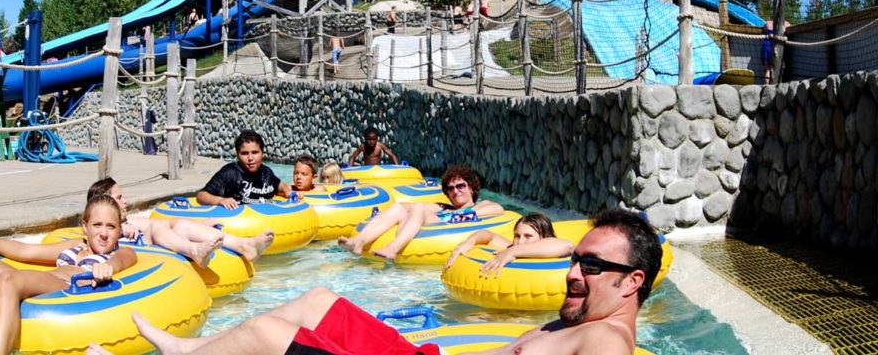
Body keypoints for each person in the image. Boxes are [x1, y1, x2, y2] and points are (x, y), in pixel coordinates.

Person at [87, 208, 661, 355]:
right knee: (317, 298)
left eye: (590, 266)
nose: (572, 273)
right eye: (575, 259)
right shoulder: (584, 320)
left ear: (633, 282)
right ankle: (189, 346)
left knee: (267, 334)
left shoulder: (607, 340)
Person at [0, 195, 137, 355]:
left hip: (63, 286)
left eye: (111, 226)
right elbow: (26, 251)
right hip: (39, 278)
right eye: (97, 225)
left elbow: (121, 261)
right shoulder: (75, 246)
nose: (104, 233)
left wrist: (107, 267)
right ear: (85, 226)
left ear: (119, 230)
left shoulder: (120, 252)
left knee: (9, 279)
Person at [87, 178, 274, 264]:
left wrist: (200, 225)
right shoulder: (105, 231)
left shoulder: (130, 221)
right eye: (120, 197)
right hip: (142, 258)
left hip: (159, 244)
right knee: (157, 227)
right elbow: (157, 226)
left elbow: (168, 223)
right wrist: (118, 231)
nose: (125, 201)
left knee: (179, 225)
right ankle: (194, 251)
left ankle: (244, 244)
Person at [337, 165, 504, 260]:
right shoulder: (442, 207)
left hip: (451, 231)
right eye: (450, 188)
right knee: (400, 207)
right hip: (438, 221)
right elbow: (408, 205)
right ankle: (358, 242)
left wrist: (456, 215)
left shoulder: (481, 205)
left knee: (418, 208)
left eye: (460, 186)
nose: (455, 191)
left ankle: (394, 248)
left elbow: (497, 210)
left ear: (472, 188)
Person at [446, 212, 574, 276]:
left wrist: (514, 252)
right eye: (517, 236)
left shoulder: (552, 248)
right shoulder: (509, 248)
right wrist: (470, 242)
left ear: (545, 237)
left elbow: (568, 245)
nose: (520, 241)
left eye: (528, 236)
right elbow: (488, 235)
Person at [196, 130, 295, 209]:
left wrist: (287, 191)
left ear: (262, 153)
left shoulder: (266, 172)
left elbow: (279, 184)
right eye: (244, 153)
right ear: (238, 155)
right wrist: (220, 201)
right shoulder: (230, 173)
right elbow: (201, 196)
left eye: (255, 152)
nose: (250, 158)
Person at [761, 19, 774, 84]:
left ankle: (767, 85)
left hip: (766, 46)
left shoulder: (767, 22)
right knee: (771, 69)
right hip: (774, 47)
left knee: (767, 69)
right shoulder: (786, 23)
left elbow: (763, 29)